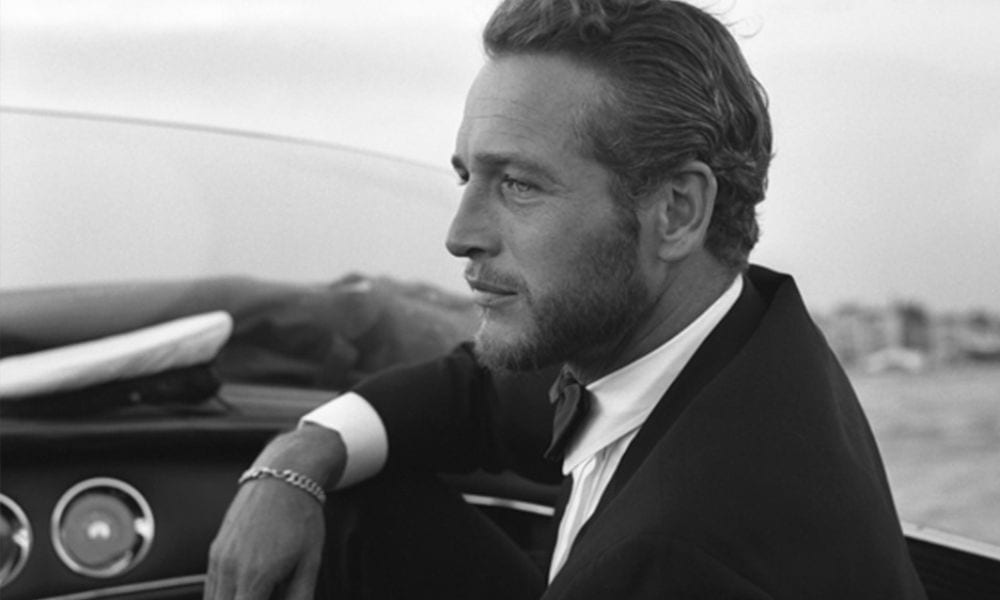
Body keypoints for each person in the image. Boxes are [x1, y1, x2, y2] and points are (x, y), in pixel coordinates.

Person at [205, 1, 927, 598]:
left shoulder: (684, 557)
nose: (460, 235)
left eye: (518, 184)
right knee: (358, 508)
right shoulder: (726, 336)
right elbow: (474, 394)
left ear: (677, 211)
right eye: (466, 177)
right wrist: (297, 460)